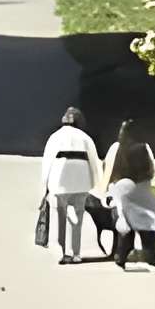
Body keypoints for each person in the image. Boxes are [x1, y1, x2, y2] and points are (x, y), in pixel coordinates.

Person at [39, 106, 103, 265]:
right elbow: (95, 162)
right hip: (82, 182)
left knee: (61, 216)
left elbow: (47, 162)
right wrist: (97, 184)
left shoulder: (55, 137)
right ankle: (76, 253)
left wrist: (45, 185)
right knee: (78, 218)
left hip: (60, 181)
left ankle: (62, 252)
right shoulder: (85, 138)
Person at [103, 121, 155, 270]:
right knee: (148, 225)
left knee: (127, 224)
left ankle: (120, 257)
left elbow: (107, 168)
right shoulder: (144, 147)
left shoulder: (115, 147)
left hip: (120, 189)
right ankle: (152, 260)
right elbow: (151, 170)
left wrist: (109, 191)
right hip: (139, 188)